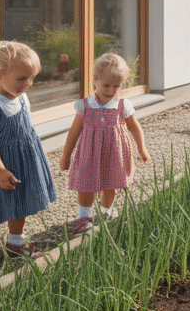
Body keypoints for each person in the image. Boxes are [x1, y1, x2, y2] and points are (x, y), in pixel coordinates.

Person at [0, 41, 57, 273]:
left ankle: (15, 242)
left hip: (24, 162)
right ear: (0, 74)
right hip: (0, 166)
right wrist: (0, 171)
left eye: (31, 78)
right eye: (21, 78)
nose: (28, 84)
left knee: (22, 204)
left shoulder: (22, 98)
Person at [60, 54, 151, 236]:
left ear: (122, 84)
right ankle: (84, 216)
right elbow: (74, 132)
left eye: (116, 86)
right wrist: (65, 156)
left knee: (111, 182)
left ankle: (105, 210)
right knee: (86, 183)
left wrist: (142, 148)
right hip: (88, 152)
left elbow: (134, 127)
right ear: (95, 82)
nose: (111, 91)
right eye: (106, 85)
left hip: (114, 152)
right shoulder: (85, 106)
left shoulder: (122, 105)